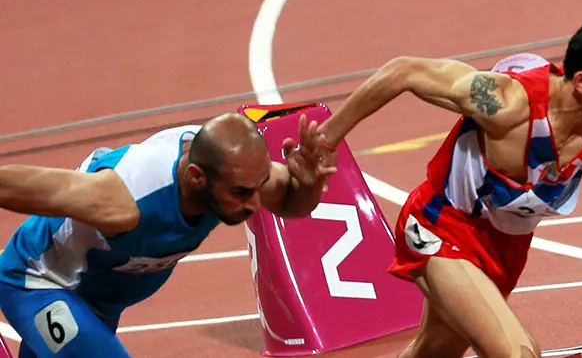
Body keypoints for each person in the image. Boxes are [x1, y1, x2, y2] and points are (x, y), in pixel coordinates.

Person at [308, 7, 582, 358]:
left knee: (433, 353)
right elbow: (404, 72)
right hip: (440, 226)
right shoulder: (507, 102)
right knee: (519, 353)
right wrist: (328, 137)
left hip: (505, 247)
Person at [0, 112, 336, 357]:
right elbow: (25, 186)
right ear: (196, 177)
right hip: (38, 283)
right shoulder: (123, 199)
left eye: (258, 188)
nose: (253, 204)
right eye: (242, 192)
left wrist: (308, 185)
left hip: (96, 300)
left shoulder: (237, 173)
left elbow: (293, 204)